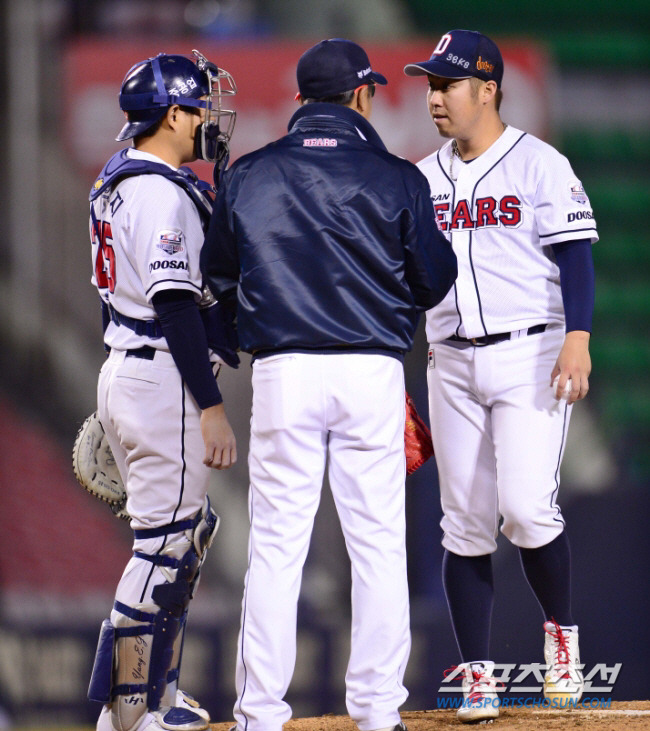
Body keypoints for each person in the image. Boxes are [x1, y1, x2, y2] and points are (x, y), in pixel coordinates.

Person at [201, 38, 457, 731]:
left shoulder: (250, 174)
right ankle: (376, 711)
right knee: (377, 543)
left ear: (301, 100)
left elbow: (216, 274)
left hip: (283, 370)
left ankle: (259, 715)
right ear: (362, 95)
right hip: (370, 369)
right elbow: (436, 279)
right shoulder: (399, 177)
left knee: (277, 547)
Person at [403, 30, 598, 723]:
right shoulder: (422, 179)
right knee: (463, 522)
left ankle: (561, 637)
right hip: (448, 358)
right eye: (430, 85)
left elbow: (575, 256)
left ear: (488, 89)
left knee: (525, 506)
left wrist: (577, 338)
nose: (434, 97)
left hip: (530, 352)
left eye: (447, 84)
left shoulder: (540, 164)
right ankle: (478, 674)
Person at [86, 50, 239, 731]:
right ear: (172, 114)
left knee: (185, 537)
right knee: (162, 547)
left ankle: (160, 696)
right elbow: (175, 305)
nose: (207, 114)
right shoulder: (161, 192)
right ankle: (127, 713)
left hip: (131, 363)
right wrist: (211, 407)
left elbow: (118, 301)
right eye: (198, 104)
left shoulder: (118, 181)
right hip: (159, 372)